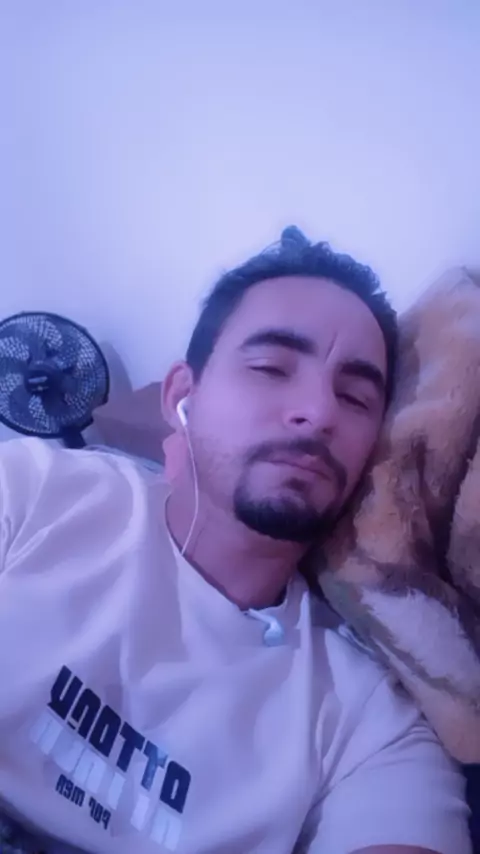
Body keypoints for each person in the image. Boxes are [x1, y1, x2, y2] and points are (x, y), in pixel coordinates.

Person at [0, 228, 471, 854]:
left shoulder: (369, 726)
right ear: (181, 396)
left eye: (356, 397)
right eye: (271, 368)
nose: (319, 412)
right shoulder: (34, 489)